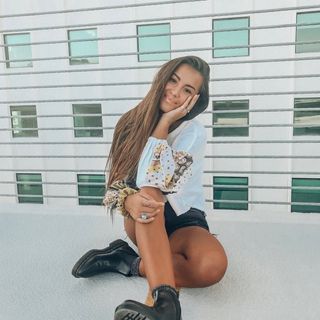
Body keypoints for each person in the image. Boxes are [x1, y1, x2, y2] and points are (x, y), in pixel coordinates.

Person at [71, 56, 228, 320]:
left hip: (184, 220)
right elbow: (114, 190)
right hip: (142, 216)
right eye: (173, 81)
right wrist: (128, 201)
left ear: (195, 99)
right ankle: (165, 303)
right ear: (161, 79)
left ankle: (125, 260)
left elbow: (157, 179)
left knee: (212, 268)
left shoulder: (193, 133)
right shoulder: (130, 124)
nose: (176, 92)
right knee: (147, 196)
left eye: (187, 90)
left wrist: (163, 125)